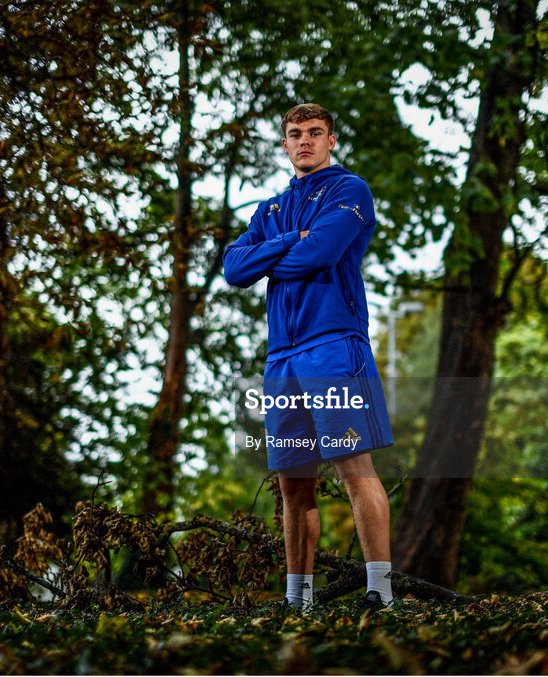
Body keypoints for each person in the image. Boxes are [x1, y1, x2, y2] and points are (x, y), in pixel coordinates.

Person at [223, 103, 395, 612]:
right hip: (282, 357)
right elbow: (233, 268)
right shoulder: (271, 210)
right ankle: (298, 601)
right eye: (295, 134)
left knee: (353, 467)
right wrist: (285, 240)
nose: (305, 142)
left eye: (315, 133)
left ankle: (380, 594)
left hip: (332, 344)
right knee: (292, 483)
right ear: (284, 144)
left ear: (331, 140)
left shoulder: (348, 190)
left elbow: (316, 255)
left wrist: (273, 257)